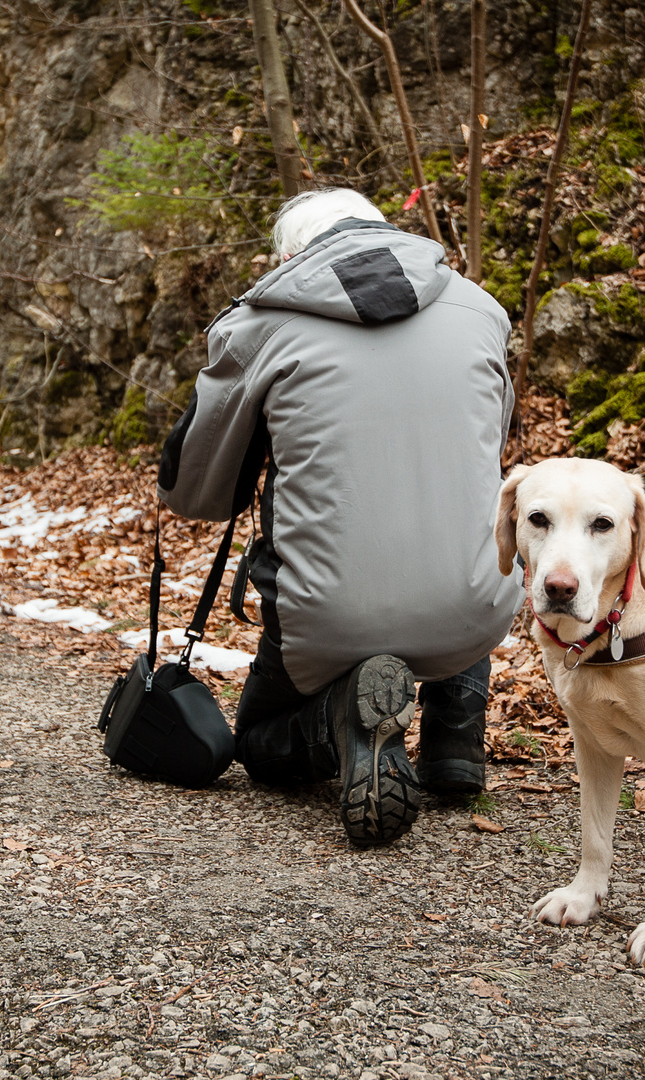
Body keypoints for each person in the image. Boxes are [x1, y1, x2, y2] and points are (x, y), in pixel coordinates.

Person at [157, 188, 521, 845]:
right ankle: (455, 743)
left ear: (291, 257)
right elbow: (486, 456)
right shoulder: (482, 310)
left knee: (261, 745)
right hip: (475, 610)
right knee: (455, 523)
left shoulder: (259, 324)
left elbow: (194, 494)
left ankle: (344, 719)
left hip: (324, 619)